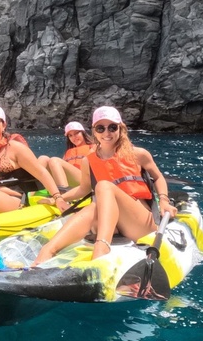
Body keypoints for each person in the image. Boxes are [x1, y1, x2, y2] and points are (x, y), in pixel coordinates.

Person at [32, 106, 178, 264]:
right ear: (94, 131)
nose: (106, 133)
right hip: (111, 223)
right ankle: (47, 251)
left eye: (112, 127)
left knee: (103, 186)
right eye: (100, 128)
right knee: (94, 206)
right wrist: (58, 198)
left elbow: (158, 177)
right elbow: (83, 189)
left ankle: (101, 248)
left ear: (121, 128)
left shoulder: (138, 154)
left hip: (140, 222)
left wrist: (163, 199)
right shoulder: (89, 161)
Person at [36, 121, 95, 188]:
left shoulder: (93, 147)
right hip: (70, 179)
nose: (74, 137)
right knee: (43, 158)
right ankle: (31, 190)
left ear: (83, 133)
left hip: (85, 179)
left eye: (76, 133)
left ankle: (64, 193)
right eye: (70, 135)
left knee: (55, 160)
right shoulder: (68, 152)